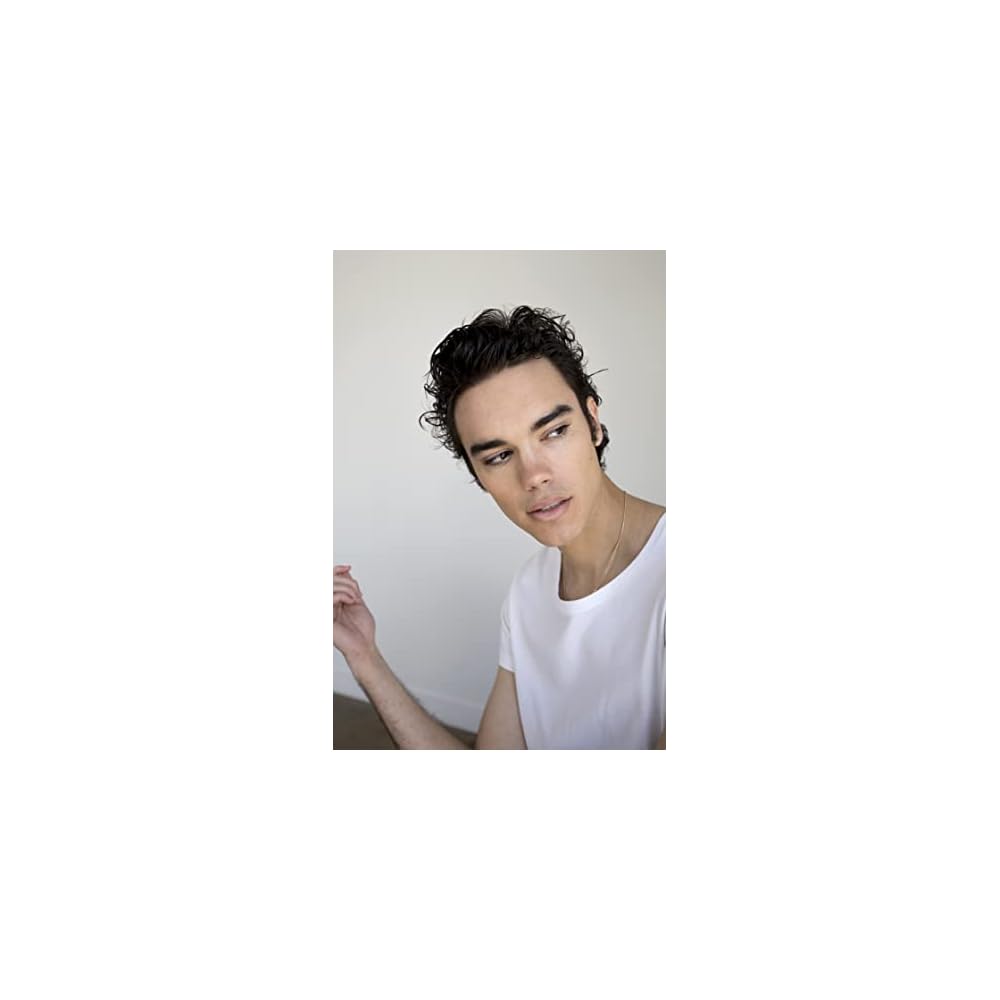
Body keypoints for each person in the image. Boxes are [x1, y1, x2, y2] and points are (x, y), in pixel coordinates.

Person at [333, 306, 665, 749]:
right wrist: (363, 656)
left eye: (553, 432)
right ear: (478, 477)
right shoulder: (529, 588)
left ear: (593, 422)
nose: (534, 475)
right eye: (499, 456)